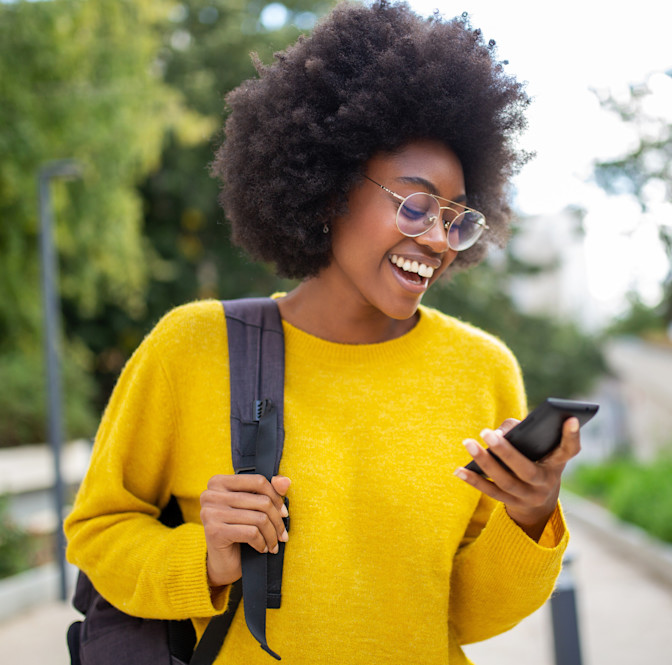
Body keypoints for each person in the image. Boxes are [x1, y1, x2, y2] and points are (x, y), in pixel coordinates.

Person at [65, 2, 580, 663]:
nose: (435, 239)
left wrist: (530, 516)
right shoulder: (191, 346)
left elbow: (463, 613)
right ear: (331, 187)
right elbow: (97, 531)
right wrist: (205, 558)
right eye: (415, 204)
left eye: (456, 219)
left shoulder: (481, 369)